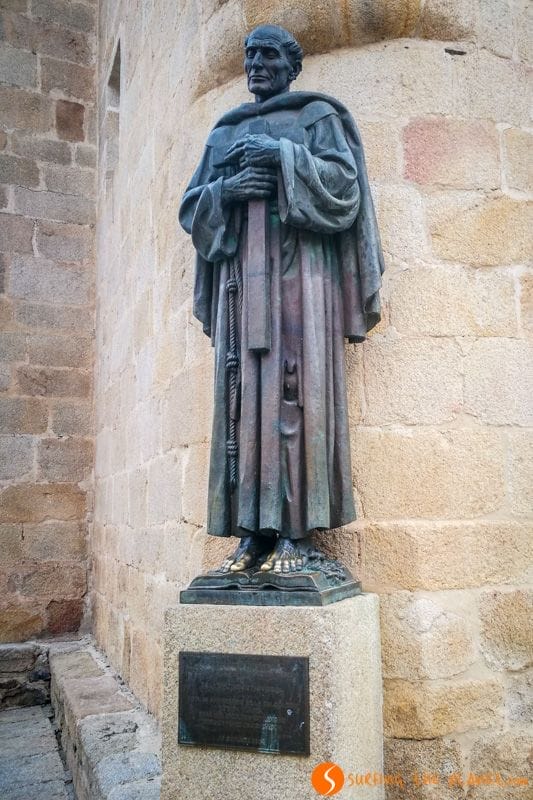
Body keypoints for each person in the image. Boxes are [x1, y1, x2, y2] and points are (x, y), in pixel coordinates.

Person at [179, 24, 384, 575]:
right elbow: (191, 209)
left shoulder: (318, 118)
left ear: (290, 65)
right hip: (240, 288)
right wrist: (227, 191)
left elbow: (345, 188)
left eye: (268, 55)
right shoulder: (224, 133)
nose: (255, 64)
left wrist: (284, 157)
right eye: (249, 55)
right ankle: (250, 534)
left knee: (297, 397)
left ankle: (294, 533)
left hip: (301, 285)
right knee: (241, 402)